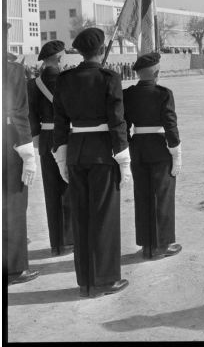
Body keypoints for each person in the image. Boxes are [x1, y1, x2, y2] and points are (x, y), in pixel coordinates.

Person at [53, 27, 131, 298]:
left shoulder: (65, 79)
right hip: (101, 154)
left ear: (81, 51)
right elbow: (117, 120)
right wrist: (123, 158)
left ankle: (86, 280)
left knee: (81, 217)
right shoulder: (109, 77)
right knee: (103, 217)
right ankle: (104, 280)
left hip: (75, 153)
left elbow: (60, 121)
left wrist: (61, 156)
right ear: (101, 51)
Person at [123, 52, 182, 260]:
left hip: (138, 148)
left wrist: (131, 145)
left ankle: (147, 245)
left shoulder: (128, 94)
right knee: (162, 196)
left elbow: (124, 125)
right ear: (156, 72)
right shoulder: (163, 93)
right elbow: (170, 125)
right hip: (159, 148)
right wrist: (176, 151)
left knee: (143, 196)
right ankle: (161, 245)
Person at [28, 40, 73, 256]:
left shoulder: (33, 83)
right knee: (68, 188)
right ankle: (69, 239)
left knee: (51, 190)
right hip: (64, 136)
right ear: (58, 58)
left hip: (46, 139)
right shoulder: (65, 80)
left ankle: (57, 243)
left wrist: (37, 138)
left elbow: (31, 116)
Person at [4, 31, 40, 285]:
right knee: (13, 207)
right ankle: (15, 268)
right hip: (8, 144)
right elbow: (18, 112)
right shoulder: (12, 71)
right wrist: (27, 152)